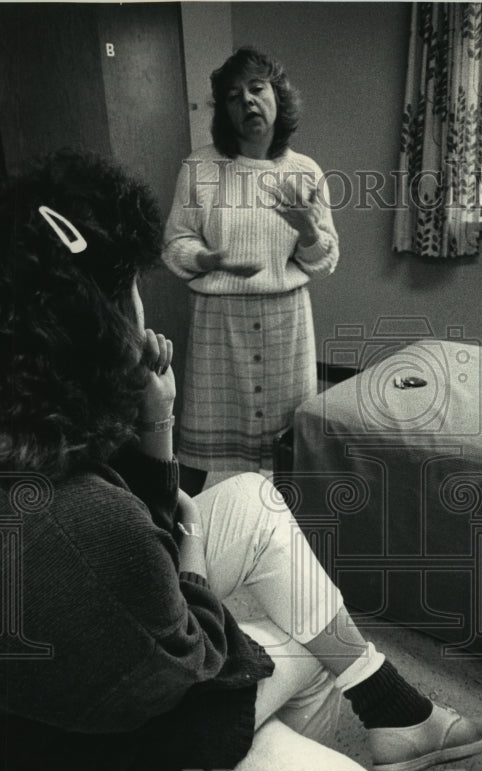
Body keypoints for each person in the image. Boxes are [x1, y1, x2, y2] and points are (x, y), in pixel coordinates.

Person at [0, 149, 482, 771]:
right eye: (128, 288)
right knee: (311, 652)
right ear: (99, 319)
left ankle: (392, 715)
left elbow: (128, 537)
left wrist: (154, 425)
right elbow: (198, 654)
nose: (140, 308)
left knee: (252, 496)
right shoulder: (86, 527)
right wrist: (191, 570)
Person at [163, 46, 338, 496]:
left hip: (286, 324)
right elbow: (176, 243)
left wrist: (307, 232)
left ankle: (289, 540)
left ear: (278, 96)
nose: (248, 101)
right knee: (200, 457)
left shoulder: (305, 171)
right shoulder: (198, 167)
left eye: (257, 89)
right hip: (218, 327)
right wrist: (206, 259)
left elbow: (324, 261)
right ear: (224, 110)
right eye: (234, 95)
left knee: (286, 454)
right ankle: (180, 536)